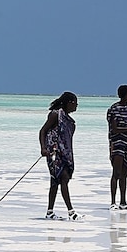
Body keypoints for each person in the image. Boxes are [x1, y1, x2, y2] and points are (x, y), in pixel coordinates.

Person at [38, 92, 82, 220]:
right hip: (54, 153)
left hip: (65, 154)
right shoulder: (55, 115)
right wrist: (43, 148)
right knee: (64, 178)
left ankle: (50, 212)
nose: (76, 106)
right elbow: (43, 131)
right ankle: (71, 212)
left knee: (55, 182)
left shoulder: (68, 120)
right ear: (69, 103)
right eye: (75, 103)